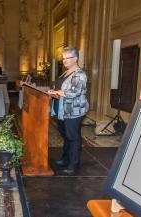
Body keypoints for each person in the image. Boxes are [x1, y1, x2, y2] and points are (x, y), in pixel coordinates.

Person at [47, 47, 89, 175]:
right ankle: (65, 159)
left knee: (73, 137)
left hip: (73, 111)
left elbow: (75, 92)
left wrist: (58, 92)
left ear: (75, 58)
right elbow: (60, 88)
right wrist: (53, 92)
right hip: (62, 110)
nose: (64, 60)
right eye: (63, 58)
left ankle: (73, 165)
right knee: (66, 136)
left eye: (67, 58)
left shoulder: (80, 74)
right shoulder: (65, 73)